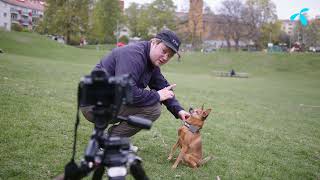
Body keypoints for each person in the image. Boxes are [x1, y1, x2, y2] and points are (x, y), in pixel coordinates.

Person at [80, 29, 190, 138]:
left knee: (153, 104)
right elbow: (126, 92)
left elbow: (162, 86)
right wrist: (157, 95)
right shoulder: (133, 55)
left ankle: (110, 139)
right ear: (154, 42)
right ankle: (109, 140)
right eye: (164, 51)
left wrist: (178, 110)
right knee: (153, 109)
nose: (165, 57)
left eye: (170, 55)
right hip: (92, 105)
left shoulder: (151, 61)